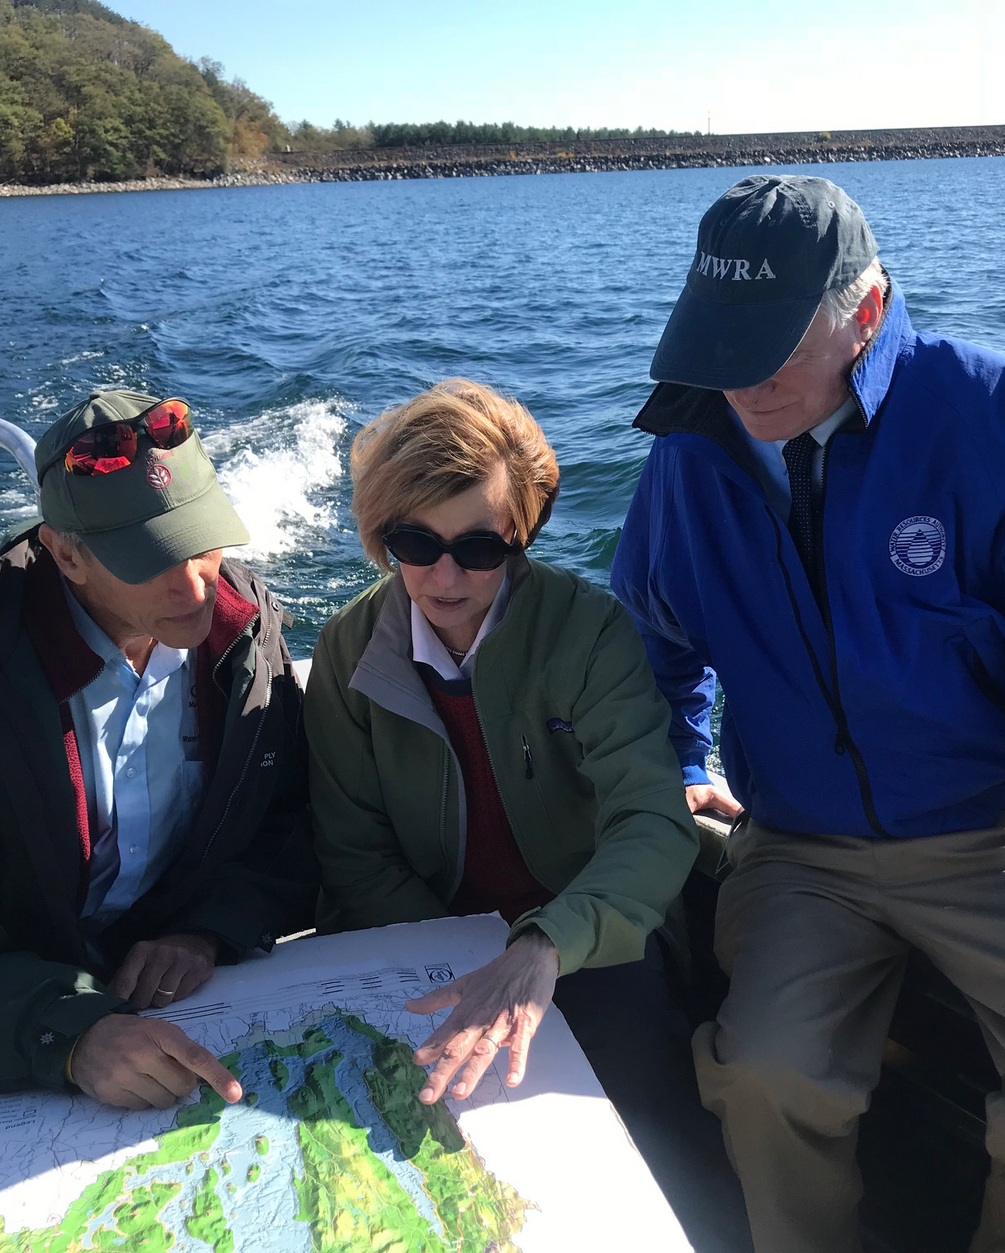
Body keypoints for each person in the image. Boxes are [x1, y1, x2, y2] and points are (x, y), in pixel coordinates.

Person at [611, 176, 1005, 1252]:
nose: (743, 380)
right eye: (720, 340)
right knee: (760, 1077)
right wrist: (676, 757)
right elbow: (650, 644)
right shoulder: (686, 453)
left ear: (867, 310)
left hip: (993, 833)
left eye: (775, 345)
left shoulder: (998, 415)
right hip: (797, 845)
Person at [305, 378, 752, 1249]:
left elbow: (649, 822)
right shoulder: (348, 653)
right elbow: (353, 851)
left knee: (644, 1132)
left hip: (587, 942)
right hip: (424, 943)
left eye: (477, 546)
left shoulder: (589, 634)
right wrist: (467, 962)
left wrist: (542, 946)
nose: (444, 575)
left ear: (521, 536)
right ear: (379, 537)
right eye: (413, 542)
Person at [0, 390, 317, 1112]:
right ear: (66, 555)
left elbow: (285, 824)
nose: (195, 583)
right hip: (22, 1021)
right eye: (151, 559)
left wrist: (205, 927)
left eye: (203, 540)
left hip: (192, 1003)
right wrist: (69, 1035)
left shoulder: (247, 640)